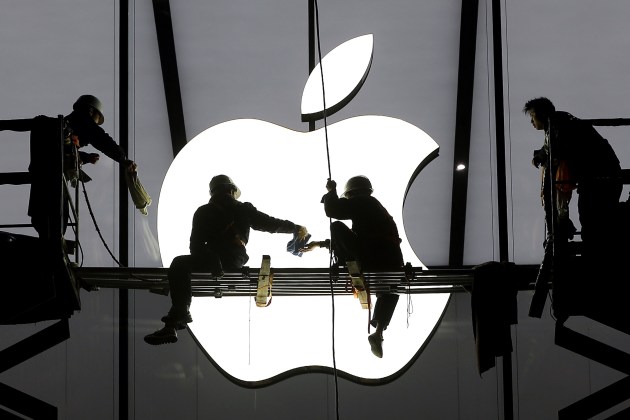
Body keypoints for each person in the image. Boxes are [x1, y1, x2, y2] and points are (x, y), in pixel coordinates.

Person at [144, 174, 309, 345]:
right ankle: (174, 321)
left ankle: (180, 314)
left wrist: (210, 257)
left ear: (213, 192)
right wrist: (294, 228)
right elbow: (269, 223)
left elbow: (195, 247)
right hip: (233, 260)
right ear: (231, 190)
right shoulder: (242, 209)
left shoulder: (203, 211)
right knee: (184, 265)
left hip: (211, 259)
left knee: (179, 264)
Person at [0, 94, 137, 239]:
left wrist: (85, 157)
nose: (95, 125)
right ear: (90, 111)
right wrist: (123, 159)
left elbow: (63, 150)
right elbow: (101, 139)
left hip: (44, 178)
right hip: (52, 179)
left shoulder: (59, 129)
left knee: (47, 220)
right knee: (56, 220)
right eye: (96, 120)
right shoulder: (83, 121)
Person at [302, 176, 404, 358]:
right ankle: (379, 332)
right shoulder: (376, 209)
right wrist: (320, 244)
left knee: (336, 227)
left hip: (371, 255)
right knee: (389, 290)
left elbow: (334, 211)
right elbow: (356, 239)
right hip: (392, 261)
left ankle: (343, 265)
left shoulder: (364, 202)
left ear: (351, 194)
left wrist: (330, 192)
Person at [523, 97, 622, 263]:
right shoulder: (563, 121)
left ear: (541, 114)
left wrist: (541, 157)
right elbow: (551, 148)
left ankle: (594, 262)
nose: (531, 121)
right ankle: (599, 261)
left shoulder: (557, 125)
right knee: (598, 222)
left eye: (532, 116)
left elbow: (554, 149)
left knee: (592, 221)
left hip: (597, 179)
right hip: (605, 175)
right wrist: (541, 155)